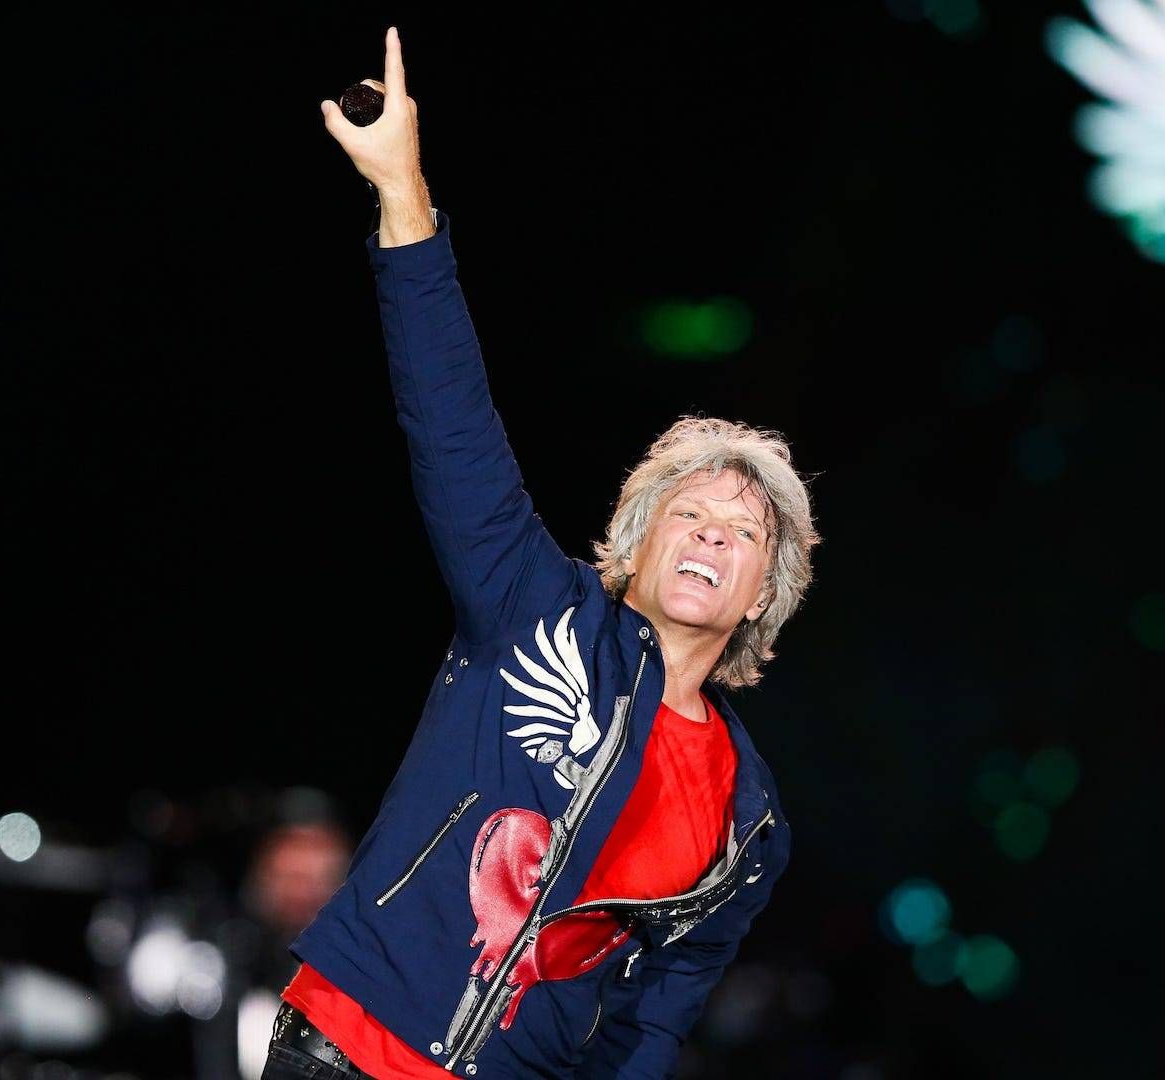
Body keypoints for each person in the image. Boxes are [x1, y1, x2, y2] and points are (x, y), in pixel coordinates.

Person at [266, 27, 819, 1080]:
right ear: (636, 545)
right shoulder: (531, 600)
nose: (714, 532)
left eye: (746, 532)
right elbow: (450, 417)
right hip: (346, 1051)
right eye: (690, 513)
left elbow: (651, 1028)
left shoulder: (749, 822)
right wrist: (402, 192)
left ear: (762, 594)